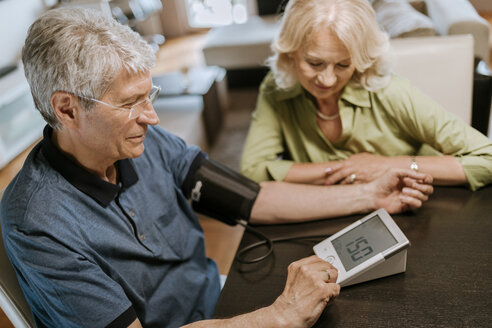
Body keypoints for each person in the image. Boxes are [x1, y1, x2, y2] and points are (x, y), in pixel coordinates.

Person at [0, 7, 433, 328]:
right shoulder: (35, 220)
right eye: (131, 103)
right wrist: (280, 316)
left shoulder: (142, 143)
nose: (151, 117)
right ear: (66, 109)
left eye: (149, 95)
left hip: (221, 302)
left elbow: (252, 197)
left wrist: (370, 194)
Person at [240, 0, 492, 191]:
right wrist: (345, 170)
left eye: (342, 65)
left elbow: (487, 159)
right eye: (315, 63)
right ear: (290, 52)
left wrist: (386, 165)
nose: (327, 80)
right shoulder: (277, 88)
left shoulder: (389, 92)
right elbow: (251, 171)